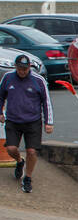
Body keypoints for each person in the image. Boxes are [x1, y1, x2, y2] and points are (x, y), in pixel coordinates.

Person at [0, 54, 53, 194]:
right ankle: (19, 161)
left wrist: (49, 122)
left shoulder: (38, 80)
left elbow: (46, 102)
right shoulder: (8, 78)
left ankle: (28, 177)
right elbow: (0, 96)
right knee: (11, 148)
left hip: (33, 121)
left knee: (31, 151)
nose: (22, 72)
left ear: (29, 67)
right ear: (15, 67)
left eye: (24, 69)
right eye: (19, 69)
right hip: (13, 120)